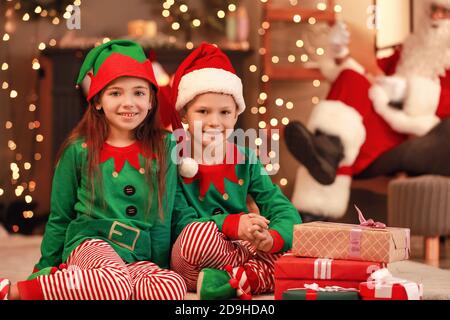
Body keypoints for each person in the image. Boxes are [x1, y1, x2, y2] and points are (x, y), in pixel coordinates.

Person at [0, 40, 186, 300]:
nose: (129, 103)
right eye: (116, 93)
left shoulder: (165, 147)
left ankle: (89, 285)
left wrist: (160, 264)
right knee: (115, 282)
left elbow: (165, 213)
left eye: (139, 93)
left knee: (170, 286)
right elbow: (60, 216)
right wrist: (42, 268)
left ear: (152, 100)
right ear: (97, 100)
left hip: (137, 254)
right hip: (90, 242)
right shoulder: (78, 150)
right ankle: (22, 290)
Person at [284, 0, 450, 221]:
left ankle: (326, 160)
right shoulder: (410, 49)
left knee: (344, 130)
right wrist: (341, 53)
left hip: (414, 135)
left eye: (445, 12)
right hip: (384, 117)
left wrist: (404, 92)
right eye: (434, 10)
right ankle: (327, 151)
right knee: (350, 77)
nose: (436, 17)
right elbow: (374, 71)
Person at [169, 43, 301, 300]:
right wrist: (231, 224)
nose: (214, 122)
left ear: (236, 117)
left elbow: (281, 208)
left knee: (292, 250)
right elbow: (178, 221)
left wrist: (271, 238)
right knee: (195, 238)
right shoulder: (174, 157)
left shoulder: (246, 159)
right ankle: (248, 277)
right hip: (195, 253)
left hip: (241, 248)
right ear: (185, 113)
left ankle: (228, 281)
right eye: (203, 111)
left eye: (224, 112)